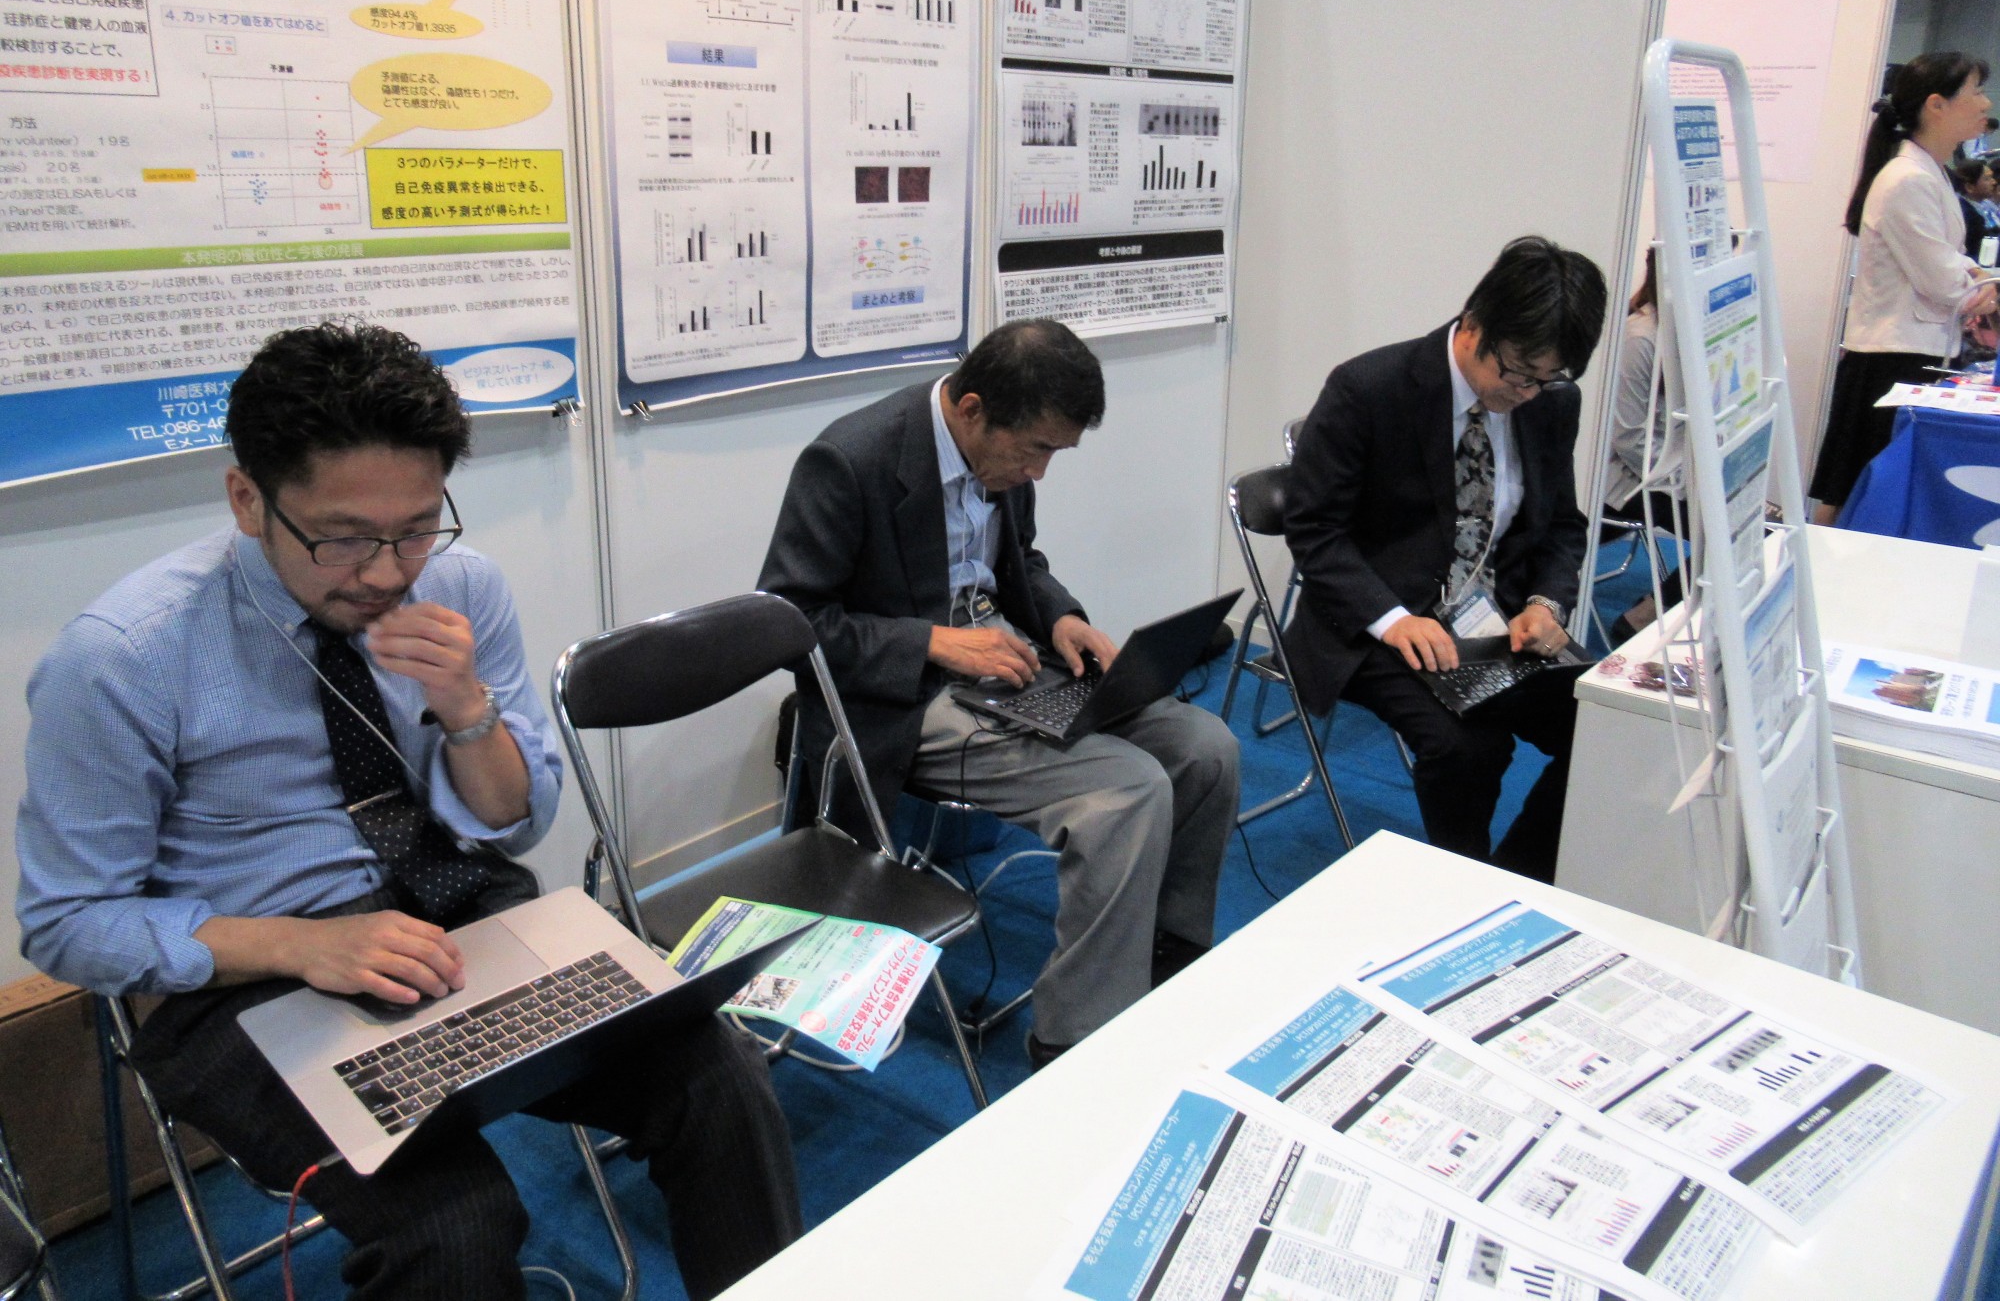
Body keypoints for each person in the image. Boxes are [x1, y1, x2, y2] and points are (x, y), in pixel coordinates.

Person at [15, 323, 799, 1301]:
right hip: (247, 975)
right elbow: (65, 922)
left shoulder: (461, 587)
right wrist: (302, 946)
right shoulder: (125, 656)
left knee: (717, 1077)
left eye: (419, 526)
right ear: (247, 499)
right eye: (342, 537)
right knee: (453, 1225)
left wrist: (467, 708)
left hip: (455, 909)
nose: (387, 572)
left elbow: (516, 823)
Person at [758, 319, 1238, 1068]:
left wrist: (1063, 617)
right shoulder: (849, 461)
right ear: (972, 408)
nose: (1039, 472)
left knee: (1205, 747)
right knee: (1127, 791)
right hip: (901, 702)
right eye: (1035, 450)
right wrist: (932, 642)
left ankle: (1164, 954)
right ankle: (1074, 1038)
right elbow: (790, 624)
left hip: (1007, 666)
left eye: (1055, 453)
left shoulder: (1001, 461)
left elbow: (1021, 564)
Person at [1282, 237, 1608, 883]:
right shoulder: (1369, 389)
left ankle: (1516, 879)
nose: (1528, 392)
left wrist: (1547, 603)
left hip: (1494, 619)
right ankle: (1469, 890)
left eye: (1548, 378)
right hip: (1376, 625)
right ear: (1475, 325)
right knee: (1468, 749)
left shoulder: (1550, 402)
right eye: (1518, 372)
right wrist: (1393, 619)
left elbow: (1562, 525)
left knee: (1606, 724)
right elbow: (1315, 530)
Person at [1809, 53, 1998, 521]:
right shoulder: (1907, 178)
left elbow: (1954, 262)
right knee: (1857, 492)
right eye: (1975, 91)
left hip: (1913, 350)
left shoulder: (1929, 172)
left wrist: (1978, 277)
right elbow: (1945, 281)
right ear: (1937, 105)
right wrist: (1982, 284)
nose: (1985, 103)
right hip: (1890, 358)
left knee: (1860, 491)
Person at [1601, 248, 1685, 643]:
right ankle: (1644, 616)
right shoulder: (1641, 338)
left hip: (1666, 472)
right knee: (1729, 534)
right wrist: (1684, 482)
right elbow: (1629, 438)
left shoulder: (1683, 330)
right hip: (1630, 481)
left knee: (1755, 521)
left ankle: (1664, 608)